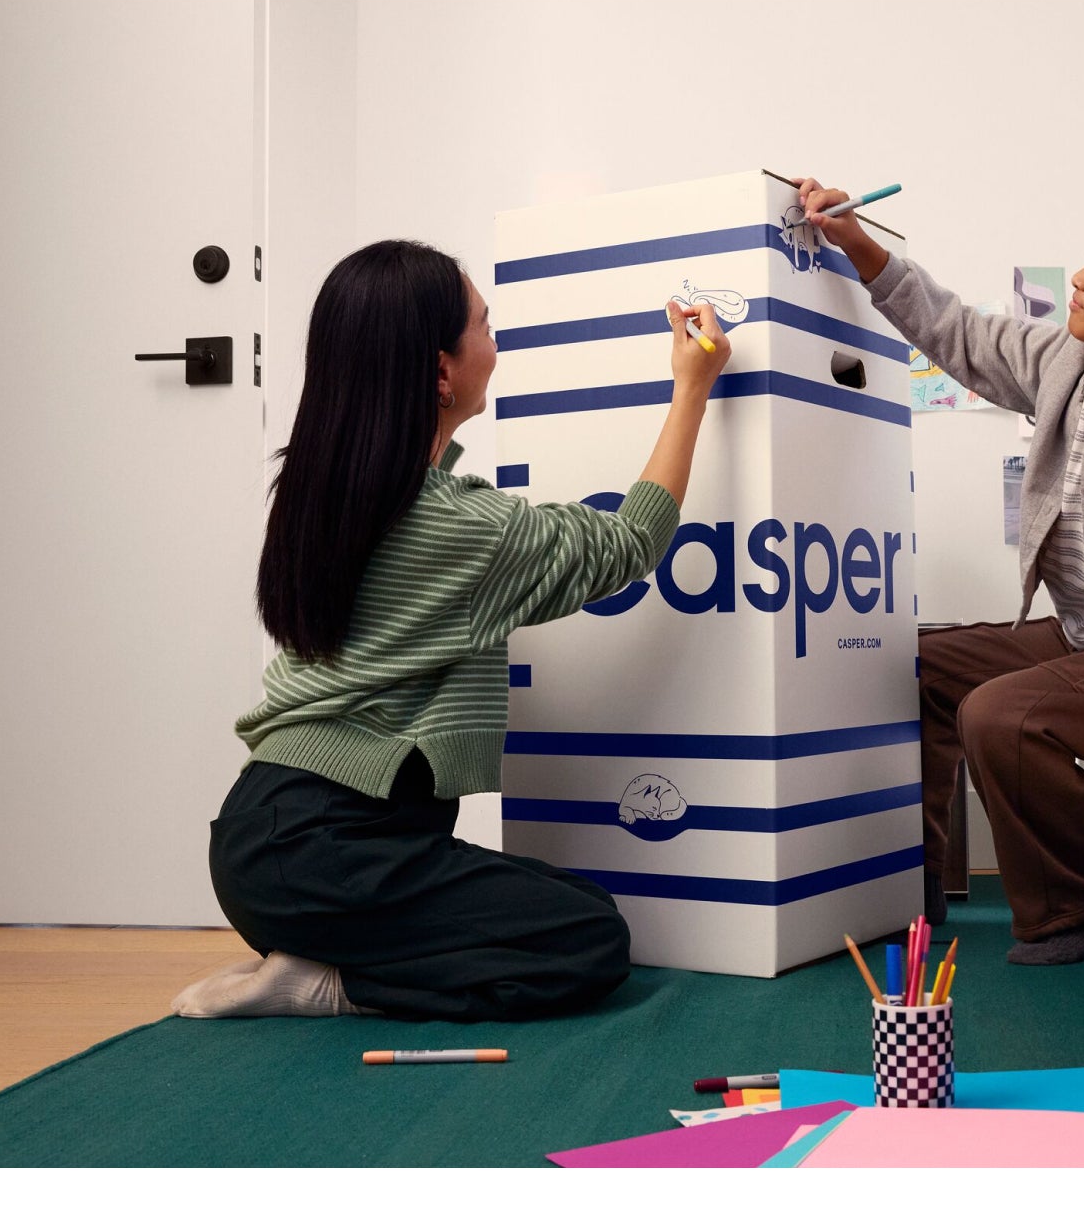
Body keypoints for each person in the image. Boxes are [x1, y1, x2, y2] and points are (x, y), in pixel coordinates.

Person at [172, 239, 728, 1019]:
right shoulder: (454, 526)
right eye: (486, 327)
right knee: (589, 940)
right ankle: (331, 983)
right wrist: (691, 389)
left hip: (272, 838)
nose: (495, 348)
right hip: (329, 846)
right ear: (441, 371)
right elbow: (629, 542)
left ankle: (313, 951)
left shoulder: (319, 489)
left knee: (569, 901)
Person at [794, 177, 1084, 965]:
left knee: (1002, 715)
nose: (1078, 277)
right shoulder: (1075, 361)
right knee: (922, 668)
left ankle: (1071, 909)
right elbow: (962, 335)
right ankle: (912, 887)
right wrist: (858, 243)